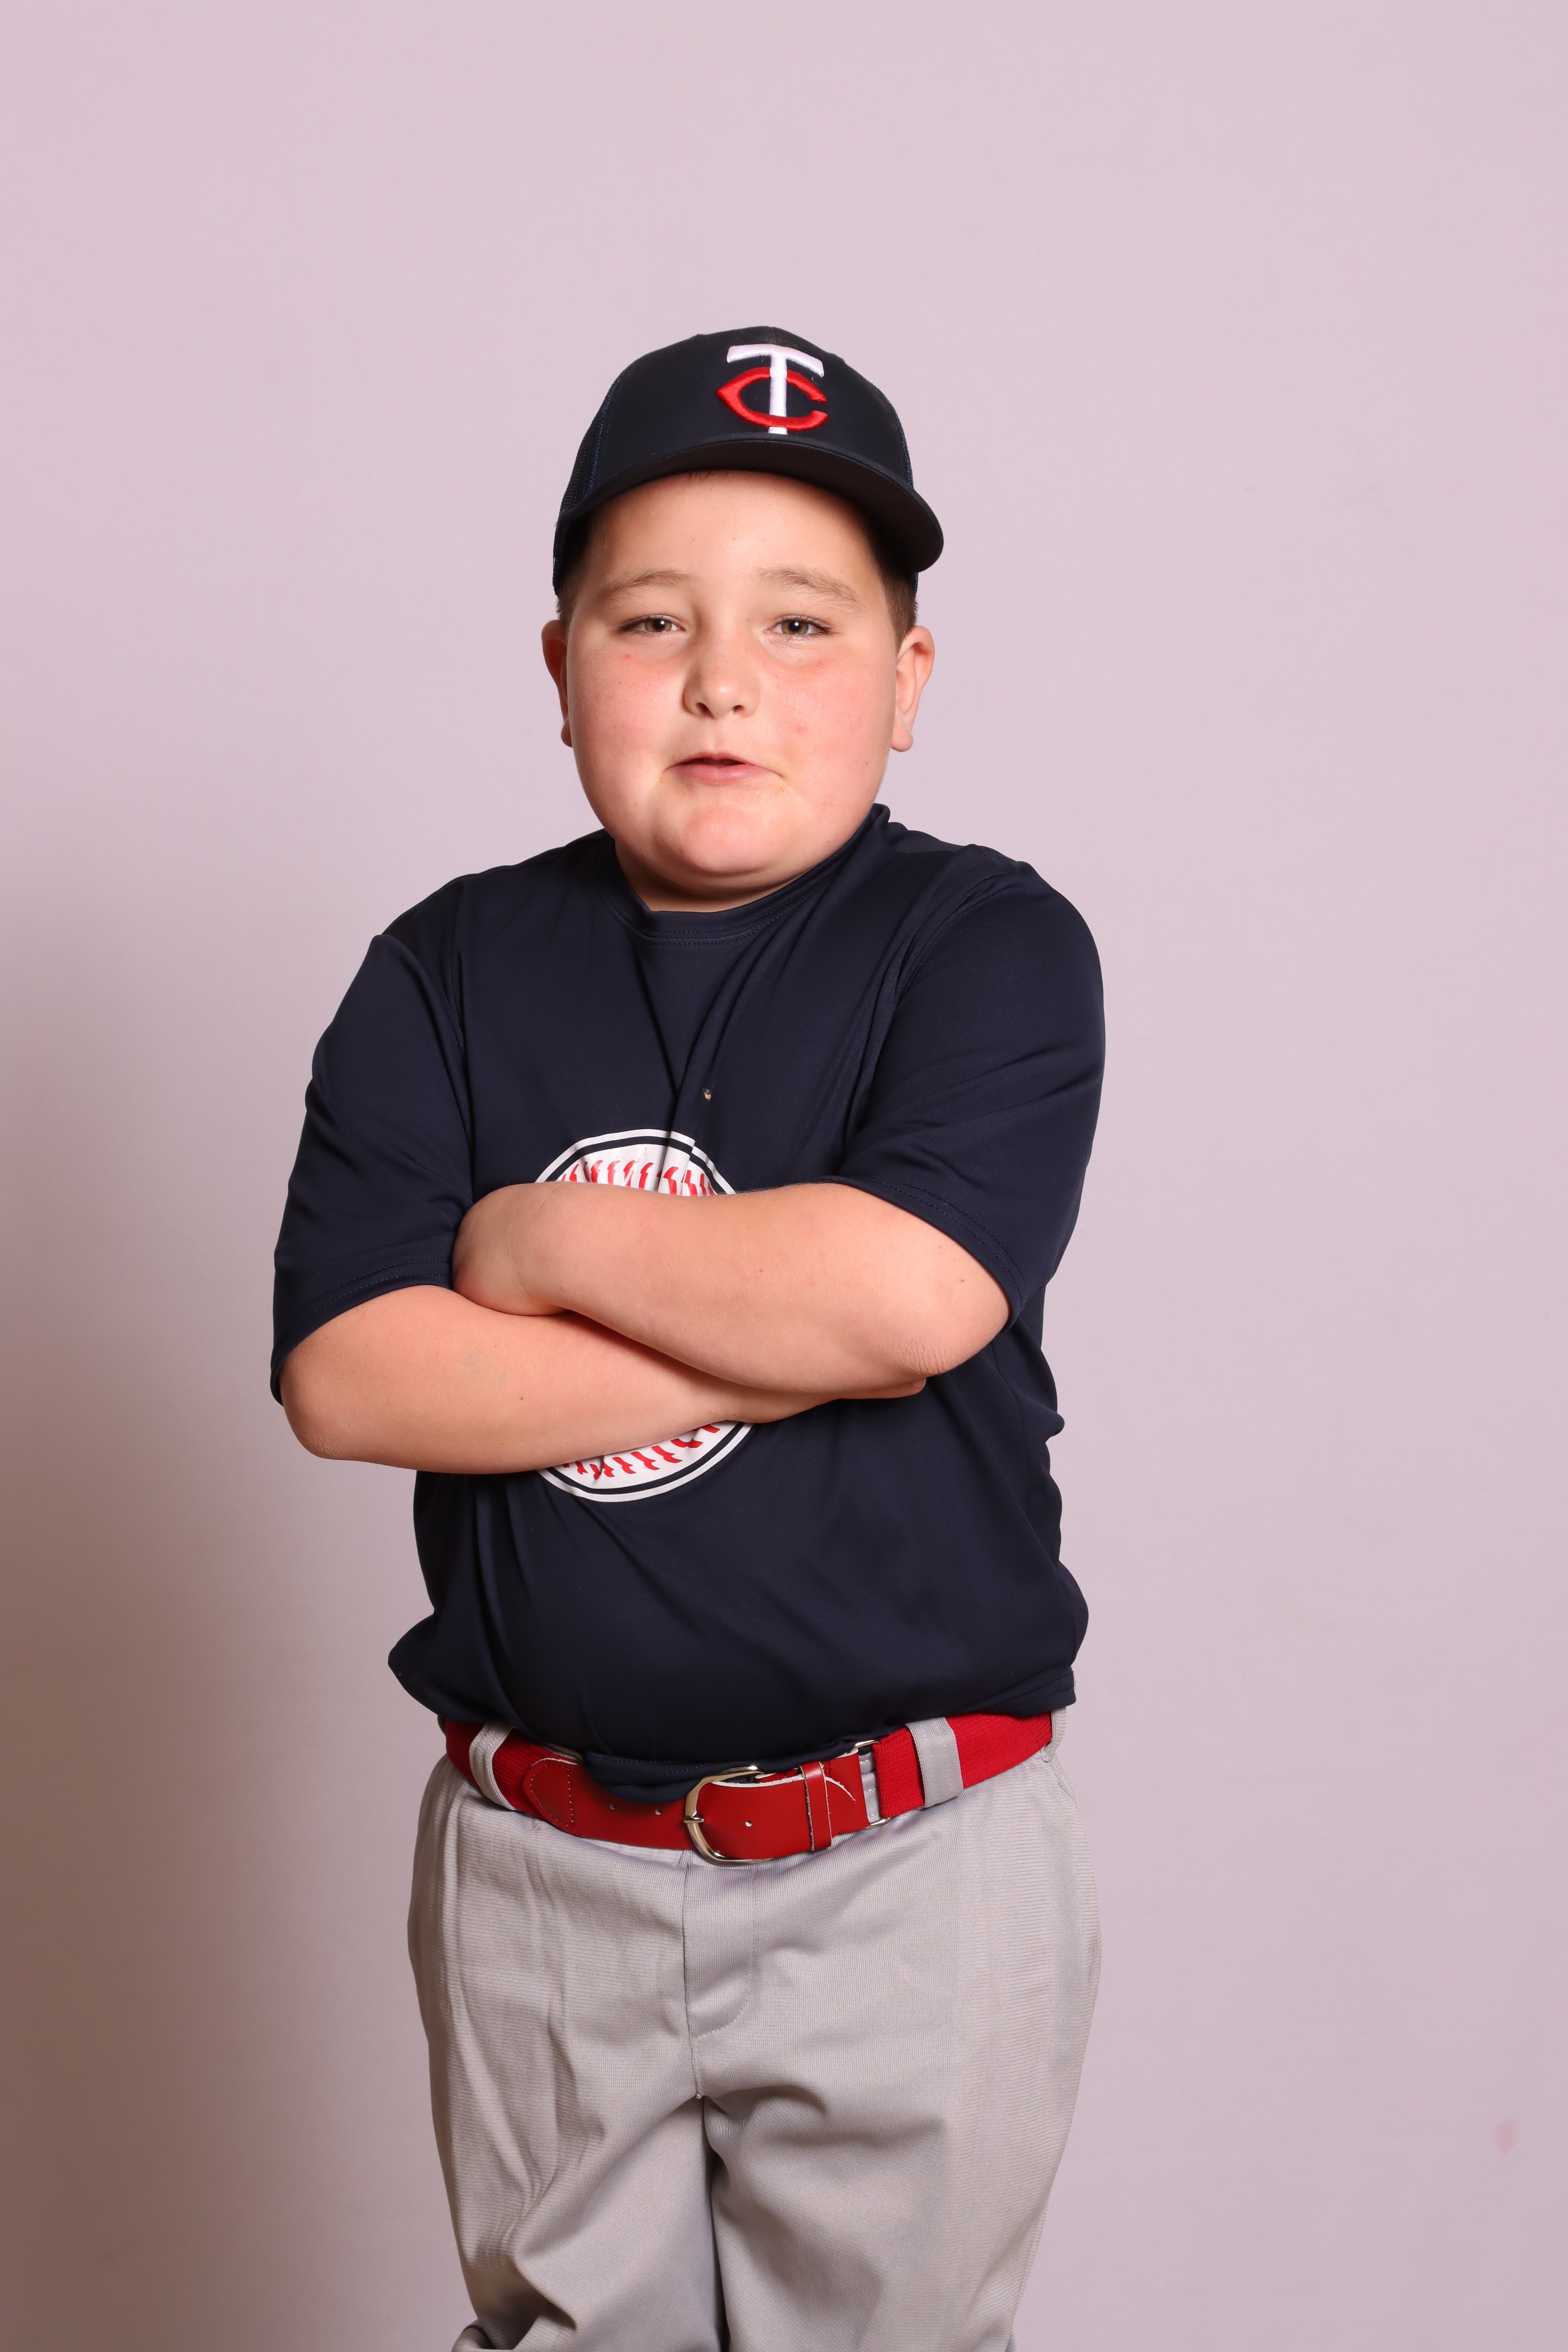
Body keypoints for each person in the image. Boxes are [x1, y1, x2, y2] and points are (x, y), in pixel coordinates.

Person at [272, 326, 1104, 2352]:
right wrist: (787, 1334)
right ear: (562, 665)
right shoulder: (446, 970)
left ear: (908, 683)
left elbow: (909, 1296)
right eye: (653, 620)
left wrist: (528, 1236)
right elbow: (353, 1377)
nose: (724, 676)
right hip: (540, 1862)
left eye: (802, 624)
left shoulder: (982, 944)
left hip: (907, 1852)